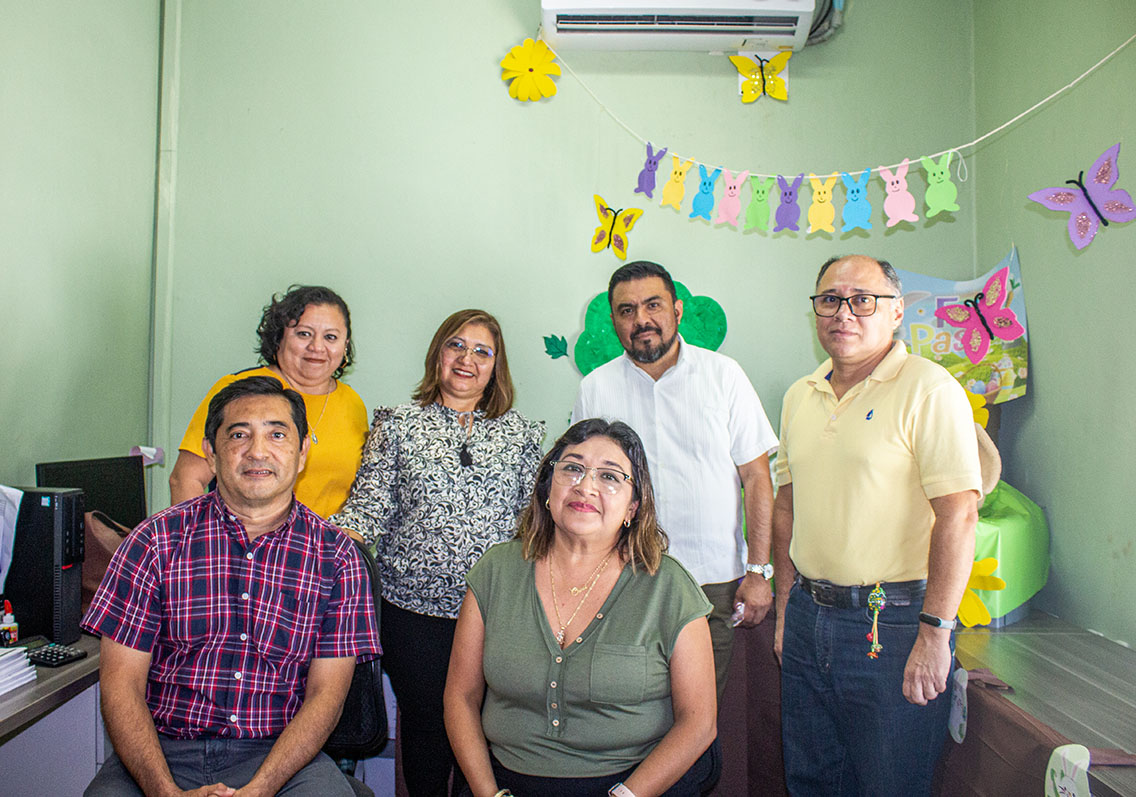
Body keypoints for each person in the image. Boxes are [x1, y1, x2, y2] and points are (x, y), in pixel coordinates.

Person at [82, 376, 381, 796]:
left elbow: (325, 697)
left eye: (277, 434)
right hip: (165, 749)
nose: (258, 451)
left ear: (302, 453)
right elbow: (120, 684)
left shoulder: (338, 558)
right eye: (239, 435)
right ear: (211, 452)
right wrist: (163, 792)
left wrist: (259, 790)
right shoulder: (154, 541)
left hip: (281, 756)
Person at [772, 254, 981, 796]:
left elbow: (958, 513)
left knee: (890, 784)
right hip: (806, 617)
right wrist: (783, 607)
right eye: (829, 300)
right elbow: (786, 505)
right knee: (812, 781)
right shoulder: (800, 395)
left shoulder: (929, 390)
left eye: (862, 300)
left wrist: (937, 632)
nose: (843, 313)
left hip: (893, 626)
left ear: (895, 314)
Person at [445, 419, 720, 797]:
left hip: (634, 785)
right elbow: (460, 697)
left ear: (633, 507)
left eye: (609, 477)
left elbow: (699, 723)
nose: (585, 486)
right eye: (572, 468)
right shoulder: (496, 571)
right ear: (548, 488)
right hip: (507, 784)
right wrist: (488, 794)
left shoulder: (669, 587)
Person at [331, 309, 543, 797]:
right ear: (437, 355)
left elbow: (532, 523)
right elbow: (368, 509)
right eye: (456, 345)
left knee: (489, 734)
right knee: (427, 730)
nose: (467, 359)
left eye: (482, 351)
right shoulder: (398, 425)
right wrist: (317, 544)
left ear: (496, 367)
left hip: (496, 613)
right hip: (412, 615)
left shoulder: (523, 434)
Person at [571, 261, 778, 698]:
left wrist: (759, 571)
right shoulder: (596, 387)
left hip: (713, 583)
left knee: (699, 718)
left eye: (653, 305)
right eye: (626, 310)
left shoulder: (724, 376)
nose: (641, 320)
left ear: (677, 310)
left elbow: (757, 478)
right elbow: (583, 491)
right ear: (614, 321)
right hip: (624, 579)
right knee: (630, 710)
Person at [169, 285, 367, 518]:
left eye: (331, 337)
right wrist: (201, 546)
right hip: (241, 548)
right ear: (279, 338)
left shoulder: (353, 403)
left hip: (322, 549)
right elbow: (185, 478)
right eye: (304, 333)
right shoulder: (239, 392)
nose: (317, 347)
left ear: (345, 346)